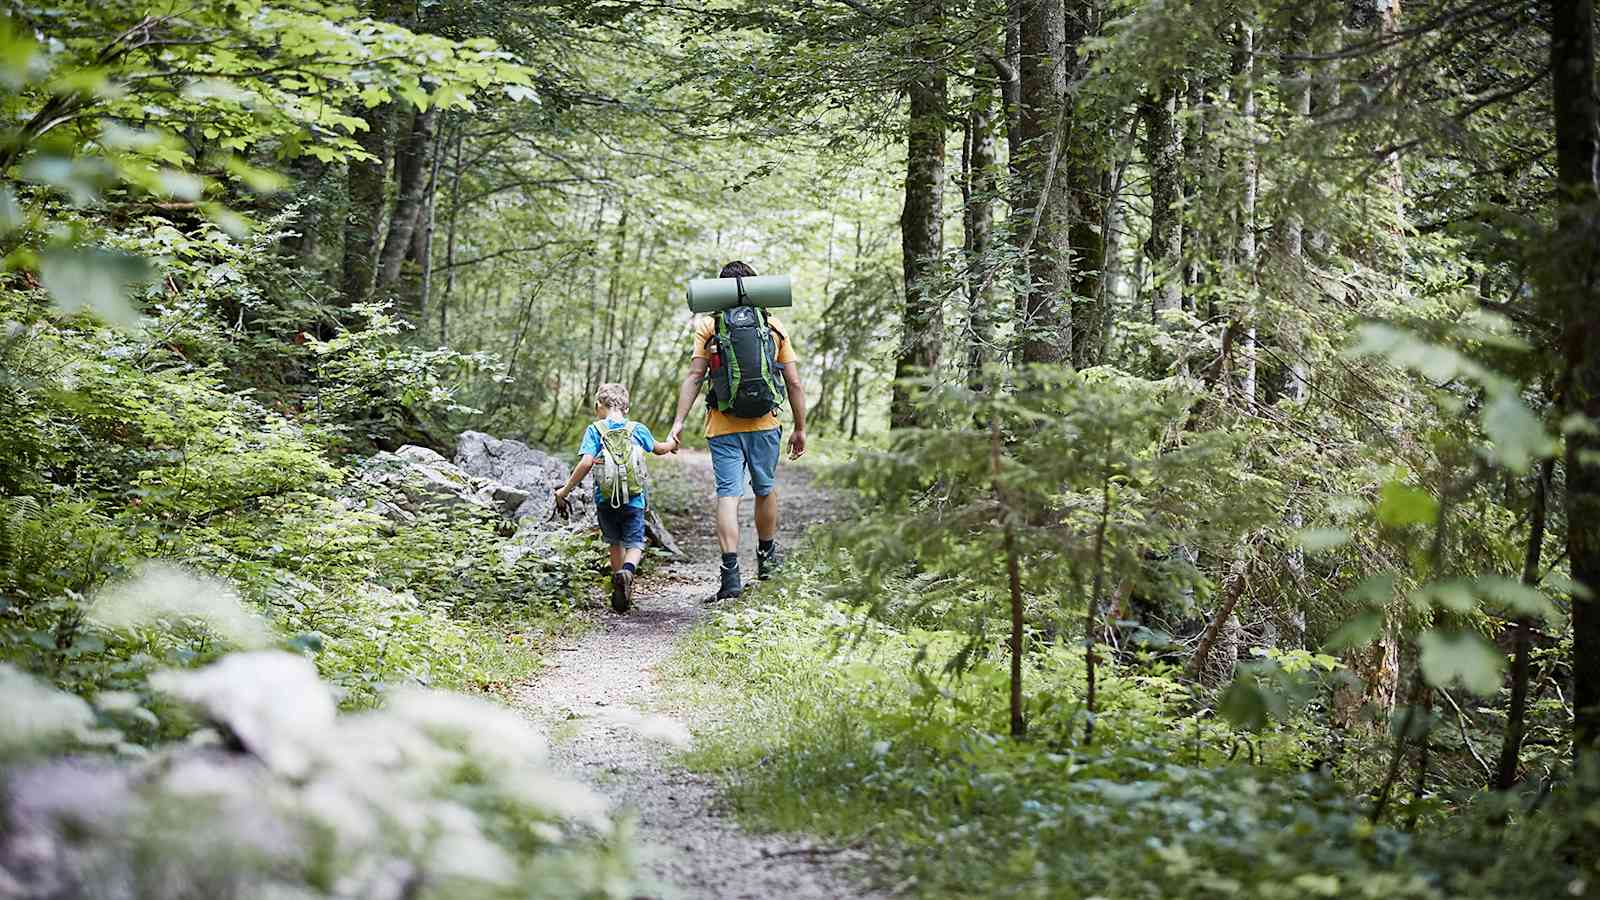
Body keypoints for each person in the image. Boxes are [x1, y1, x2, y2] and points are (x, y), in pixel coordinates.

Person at [667, 260, 807, 601]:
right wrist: (800, 428)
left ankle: (730, 580)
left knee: (728, 496)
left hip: (722, 424)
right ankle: (767, 562)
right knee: (765, 489)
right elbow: (793, 382)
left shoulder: (710, 326)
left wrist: (679, 422)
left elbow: (694, 376)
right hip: (765, 424)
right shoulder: (773, 325)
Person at [553, 383, 678, 612]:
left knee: (614, 542)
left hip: (605, 499)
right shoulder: (637, 428)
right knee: (636, 542)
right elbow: (659, 449)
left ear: (598, 405)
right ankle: (628, 572)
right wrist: (672, 442)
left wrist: (565, 490)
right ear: (626, 408)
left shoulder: (595, 429)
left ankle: (618, 587)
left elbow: (586, 462)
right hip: (634, 499)